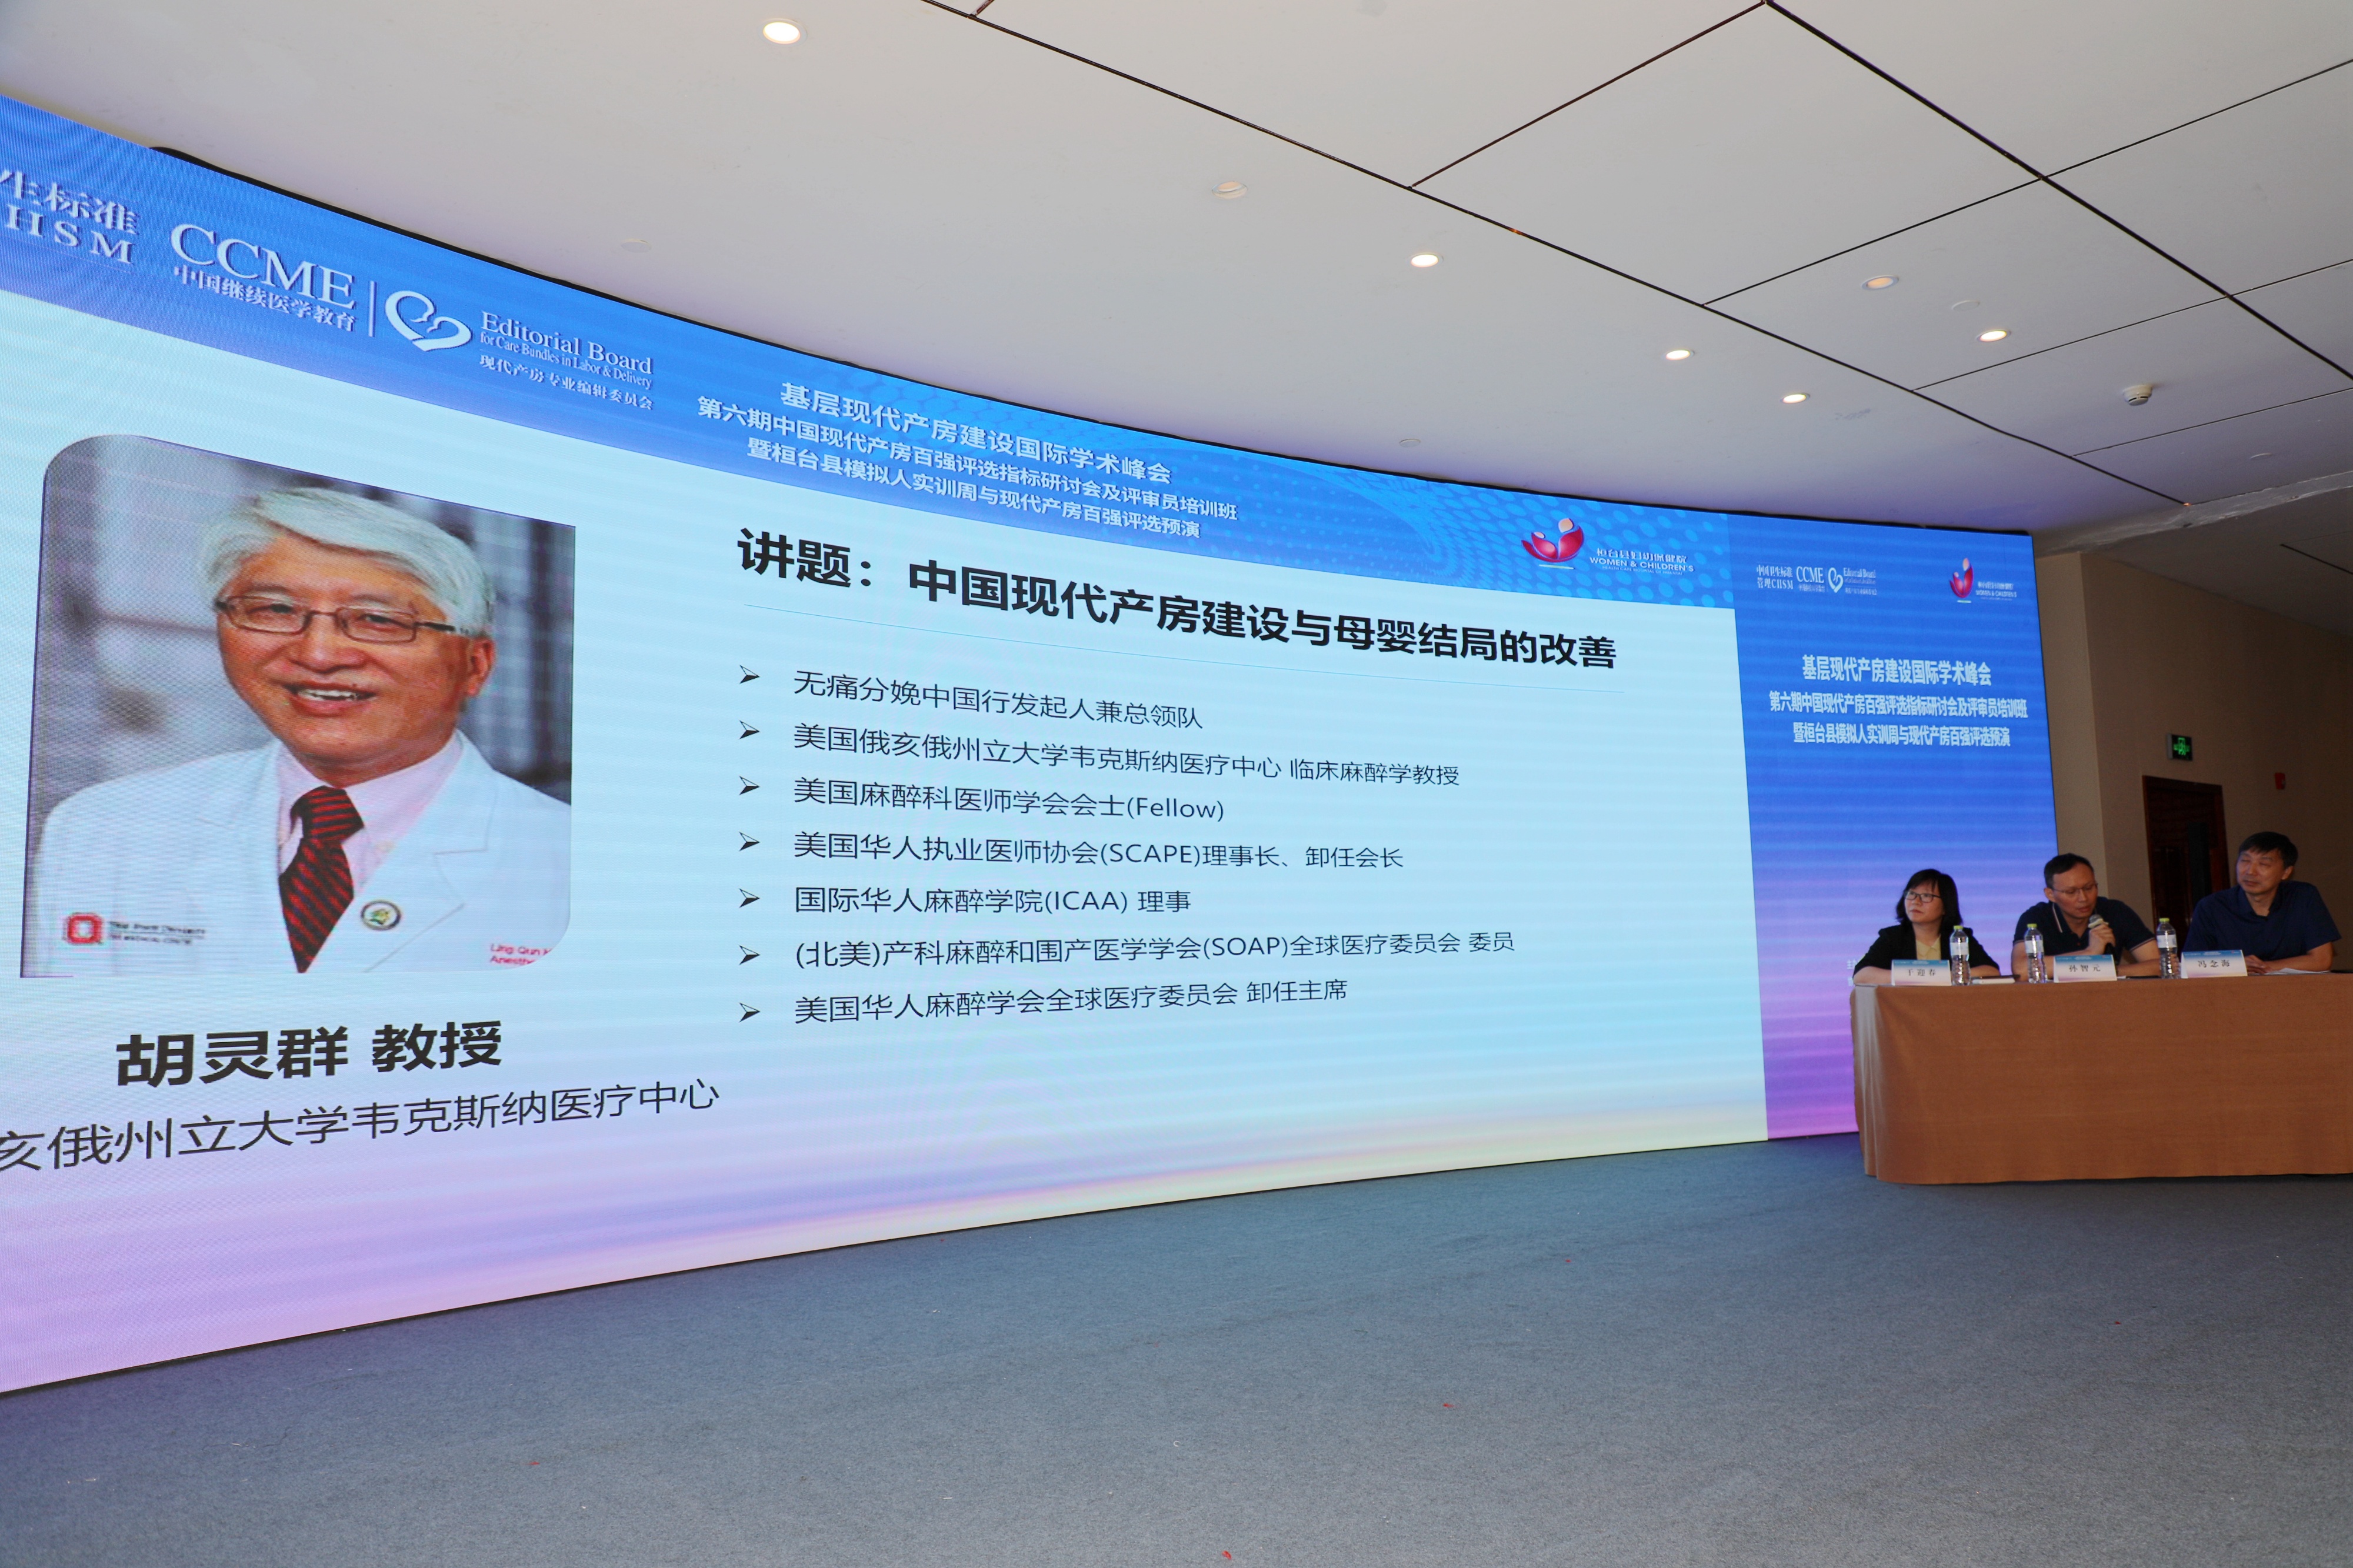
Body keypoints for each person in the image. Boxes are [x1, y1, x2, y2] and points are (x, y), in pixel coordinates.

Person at [27, 488, 568, 975]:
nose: (319, 654)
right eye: (275, 609)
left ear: (475, 664)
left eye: (379, 620)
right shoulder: (105, 827)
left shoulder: (569, 857)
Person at [2187, 832, 2338, 975]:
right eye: (2245, 861)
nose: (2250, 871)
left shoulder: (2303, 896)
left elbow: (2322, 961)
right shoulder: (2212, 907)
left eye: (2264, 864)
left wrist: (2259, 968)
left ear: (2286, 872)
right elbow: (2192, 966)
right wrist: (2236, 966)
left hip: (2295, 989)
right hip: (2234, 991)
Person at [2010, 853, 2159, 976]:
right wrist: (2089, 953)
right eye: (2071, 892)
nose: (2083, 898)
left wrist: (2107, 971)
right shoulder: (2036, 918)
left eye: (2089, 888)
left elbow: (2162, 965)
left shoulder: (2115, 911)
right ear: (2051, 894)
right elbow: (2022, 970)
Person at [1853, 869, 2001, 984]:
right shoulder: (1893, 937)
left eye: (1926, 896)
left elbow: (1991, 972)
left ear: (1945, 906)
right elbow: (1861, 975)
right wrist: (1918, 977)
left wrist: (1945, 976)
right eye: (1911, 894)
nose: (1915, 902)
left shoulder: (1958, 938)